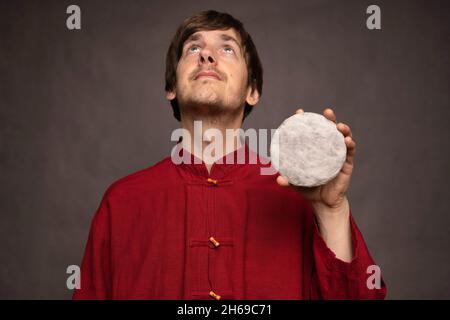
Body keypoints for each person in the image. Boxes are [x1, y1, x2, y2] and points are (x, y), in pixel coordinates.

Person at [73, 10, 386, 300]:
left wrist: (331, 209)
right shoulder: (122, 202)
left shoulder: (300, 198)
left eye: (227, 49)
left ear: (253, 91)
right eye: (193, 49)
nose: (207, 55)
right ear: (172, 87)